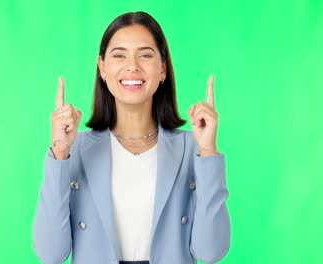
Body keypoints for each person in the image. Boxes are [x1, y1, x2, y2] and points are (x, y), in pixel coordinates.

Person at [32, 11, 230, 264]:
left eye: (146, 55)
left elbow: (211, 252)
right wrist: (59, 153)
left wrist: (209, 150)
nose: (132, 65)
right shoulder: (73, 149)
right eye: (119, 55)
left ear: (163, 69)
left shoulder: (194, 148)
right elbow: (50, 254)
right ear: (102, 68)